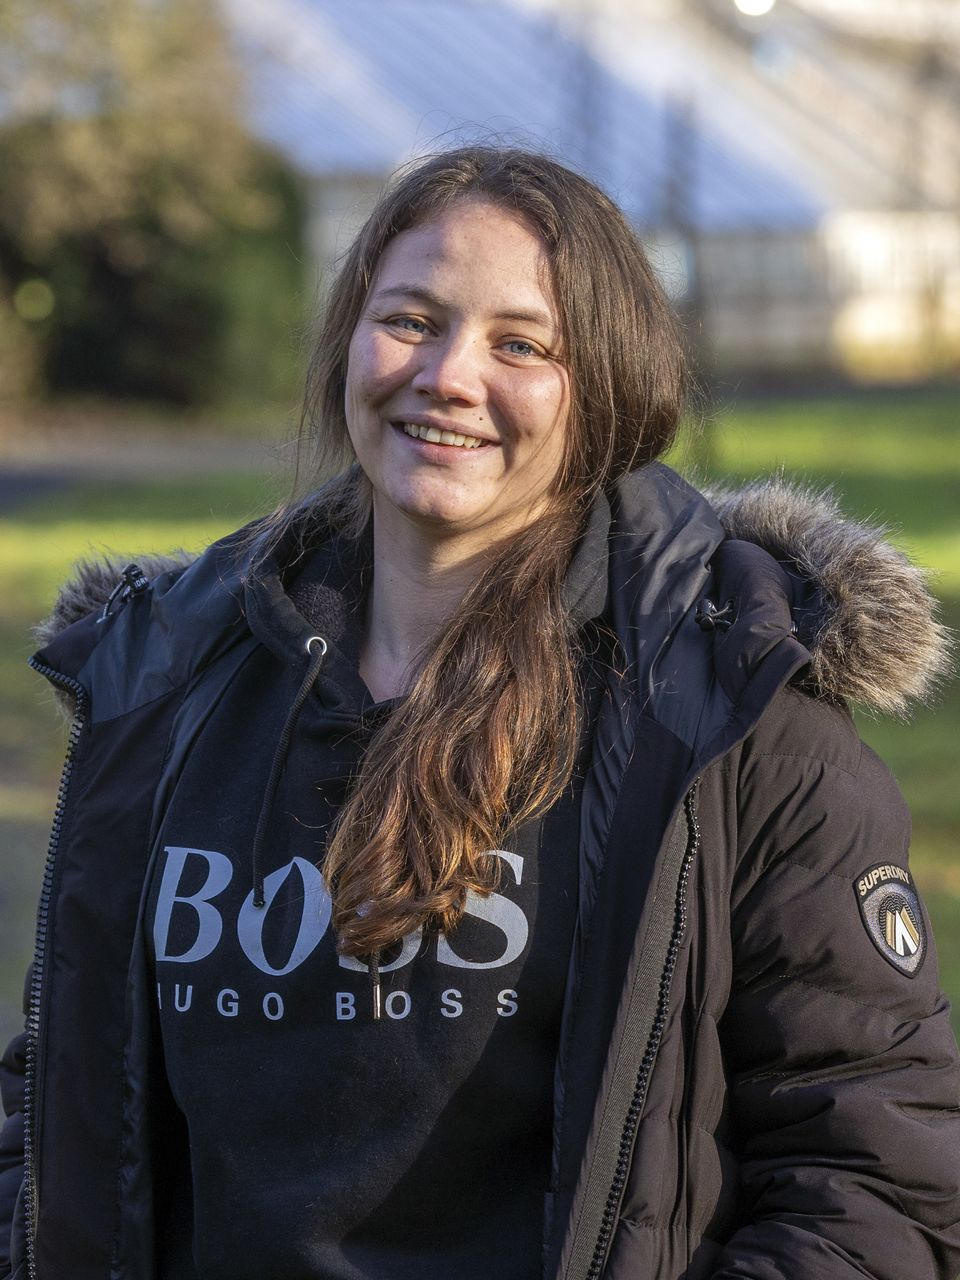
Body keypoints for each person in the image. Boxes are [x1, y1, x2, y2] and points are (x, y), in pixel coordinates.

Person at [1, 146, 959, 1280]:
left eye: (521, 343)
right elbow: (62, 1093)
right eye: (411, 318)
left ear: (602, 387)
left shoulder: (731, 720)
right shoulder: (174, 681)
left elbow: (877, 1182)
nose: (450, 375)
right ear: (348, 344)